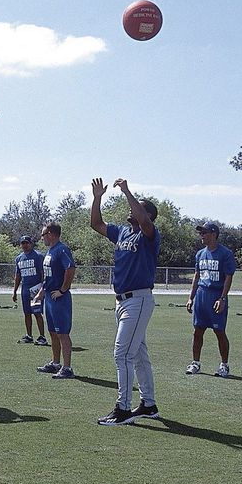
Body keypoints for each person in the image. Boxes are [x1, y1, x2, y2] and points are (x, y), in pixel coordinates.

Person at [90, 177, 161, 425]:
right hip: (122, 301)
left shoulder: (149, 234)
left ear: (148, 215)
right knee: (138, 354)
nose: (132, 210)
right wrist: (98, 197)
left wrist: (127, 191)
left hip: (138, 300)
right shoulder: (121, 231)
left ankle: (123, 409)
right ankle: (148, 405)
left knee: (122, 354)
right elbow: (96, 223)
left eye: (139, 208)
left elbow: (143, 219)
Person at [185, 221, 236, 378]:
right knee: (197, 331)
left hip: (216, 295)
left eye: (205, 232)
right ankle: (196, 363)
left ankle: (224, 365)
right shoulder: (200, 254)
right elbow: (197, 275)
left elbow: (228, 277)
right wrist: (190, 297)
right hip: (202, 294)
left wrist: (222, 298)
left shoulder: (225, 253)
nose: (202, 235)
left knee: (219, 331)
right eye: (201, 233)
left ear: (214, 234)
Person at [34, 221, 77, 379]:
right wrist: (41, 291)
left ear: (51, 234)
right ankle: (55, 363)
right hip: (50, 298)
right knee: (52, 332)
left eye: (43, 234)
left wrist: (63, 290)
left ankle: (67, 368)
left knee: (62, 333)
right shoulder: (50, 251)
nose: (42, 238)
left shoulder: (62, 249)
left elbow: (70, 268)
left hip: (60, 298)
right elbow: (48, 275)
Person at [12, 235, 47, 345]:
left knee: (37, 313)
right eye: (23, 243)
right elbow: (18, 276)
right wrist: (14, 291)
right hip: (25, 289)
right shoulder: (19, 258)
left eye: (27, 243)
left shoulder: (38, 256)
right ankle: (29, 335)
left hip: (35, 288)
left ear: (31, 244)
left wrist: (42, 288)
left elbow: (43, 273)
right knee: (27, 313)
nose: (25, 245)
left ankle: (42, 337)